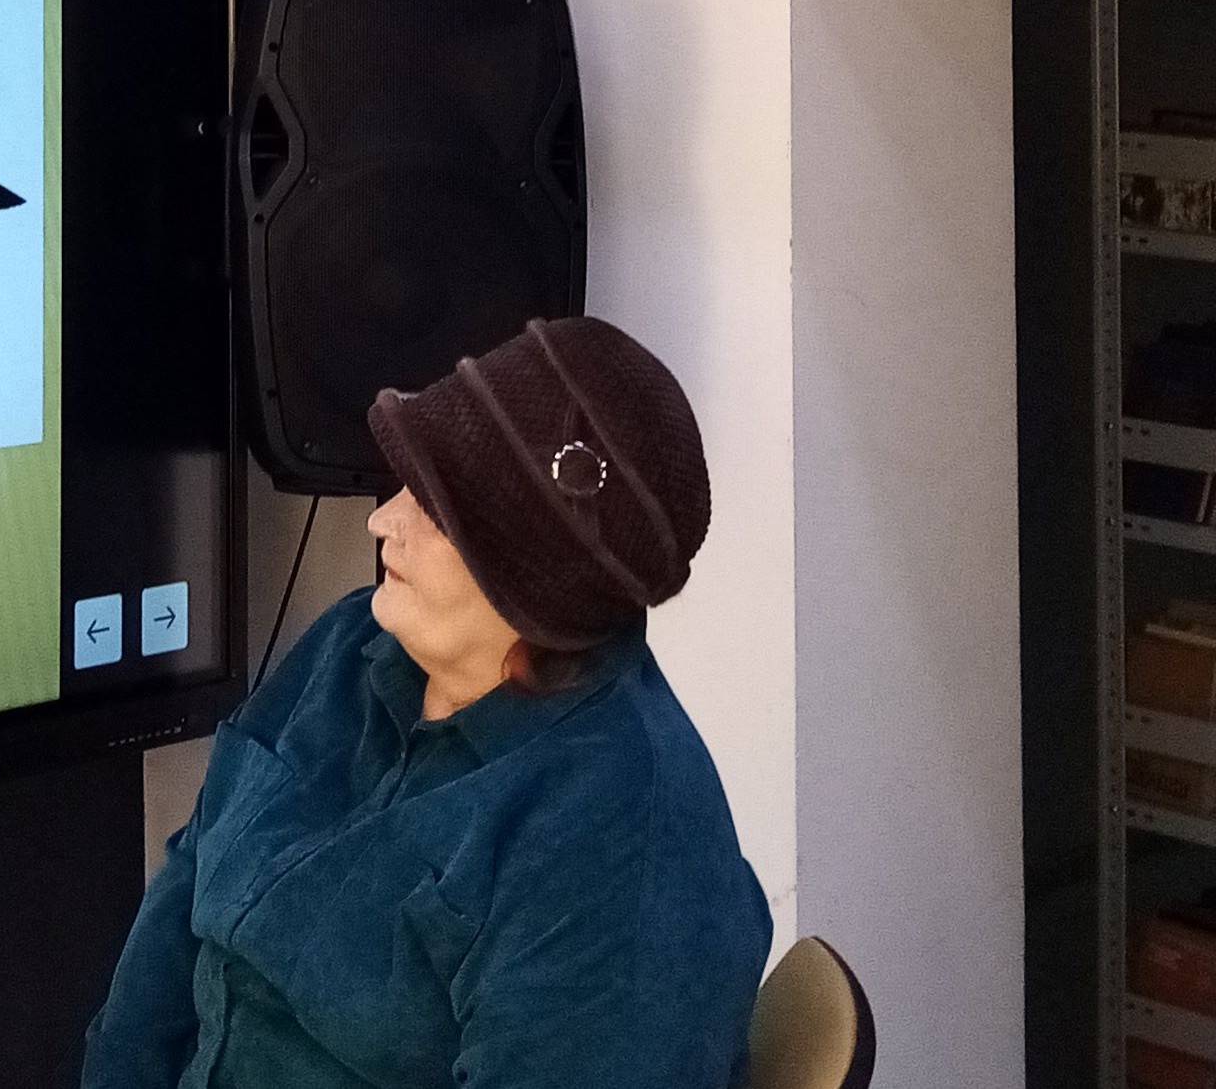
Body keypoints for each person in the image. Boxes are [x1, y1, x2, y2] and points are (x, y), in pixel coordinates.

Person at [83, 314, 769, 1088]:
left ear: (533, 580)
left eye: (434, 510)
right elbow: (184, 894)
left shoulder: (620, 855)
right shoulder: (353, 641)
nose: (383, 520)